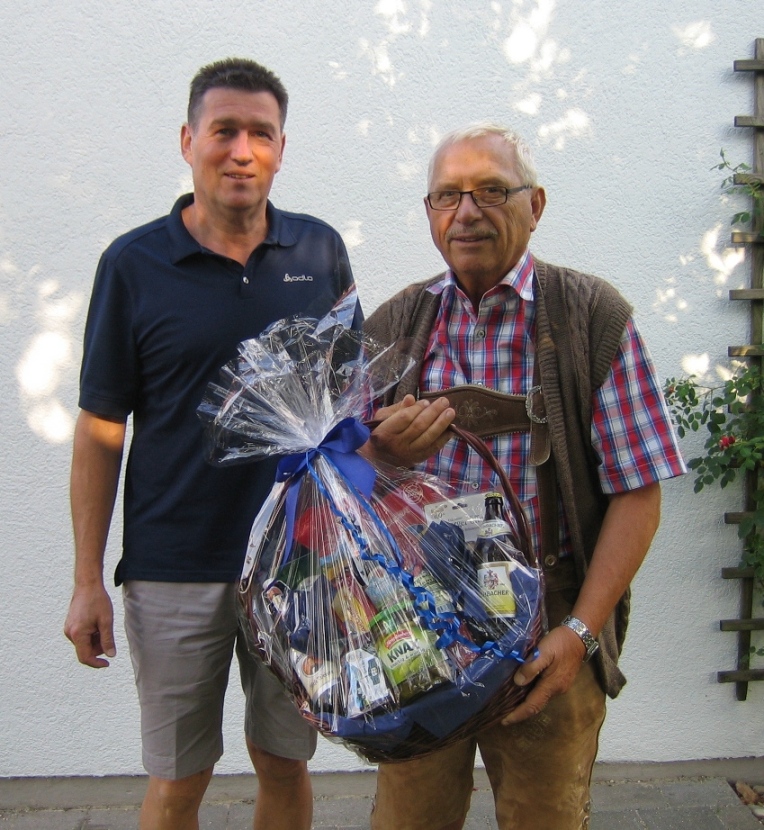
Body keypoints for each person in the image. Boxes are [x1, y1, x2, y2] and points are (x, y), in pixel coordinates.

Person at [63, 58, 359, 830]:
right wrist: (87, 580)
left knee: (285, 762)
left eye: (261, 133)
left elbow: (351, 410)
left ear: (282, 148)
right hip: (173, 568)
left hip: (298, 565)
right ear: (187, 140)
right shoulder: (133, 265)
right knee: (178, 778)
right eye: (223, 131)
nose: (241, 151)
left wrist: (360, 549)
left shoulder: (319, 252)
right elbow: (100, 431)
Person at [363, 122, 686, 830]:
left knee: (546, 818)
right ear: (428, 212)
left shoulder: (592, 318)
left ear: (535, 205)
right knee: (410, 818)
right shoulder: (393, 326)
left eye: (491, 191)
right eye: (447, 195)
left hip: (549, 625)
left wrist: (580, 632)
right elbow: (337, 485)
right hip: (420, 623)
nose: (466, 212)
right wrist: (376, 454)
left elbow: (639, 490)